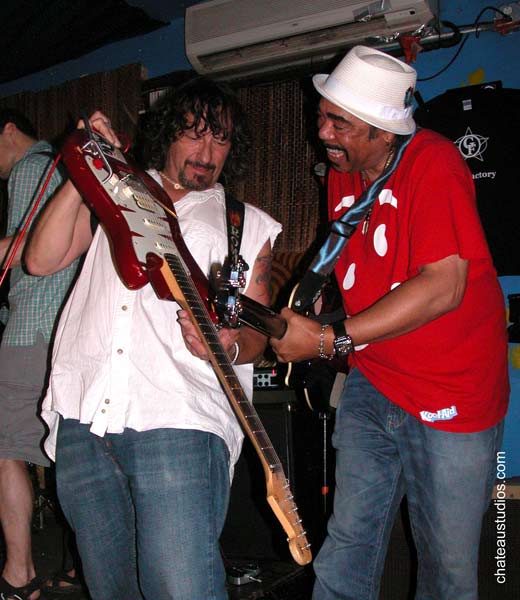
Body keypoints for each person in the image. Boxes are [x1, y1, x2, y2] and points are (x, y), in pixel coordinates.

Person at [24, 78, 281, 600]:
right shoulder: (118, 189)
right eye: (194, 134)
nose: (207, 153)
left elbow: (257, 336)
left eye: (221, 140)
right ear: (167, 132)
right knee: (109, 588)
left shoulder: (244, 223)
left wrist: (226, 343)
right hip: (85, 409)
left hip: (178, 417)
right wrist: (87, 169)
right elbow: (39, 260)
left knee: (181, 588)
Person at [270, 46, 509, 600]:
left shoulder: (434, 161)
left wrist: (330, 339)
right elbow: (355, 262)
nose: (322, 132)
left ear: (384, 132)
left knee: (446, 569)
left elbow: (445, 284)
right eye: (322, 114)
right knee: (347, 541)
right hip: (376, 379)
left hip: (450, 394)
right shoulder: (343, 173)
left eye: (339, 123)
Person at [0, 109, 81, 600]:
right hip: (60, 331)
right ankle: (80, 563)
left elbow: (25, 251)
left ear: (8, 130)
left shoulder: (33, 165)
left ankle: (18, 573)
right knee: (63, 451)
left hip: (33, 329)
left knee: (4, 448)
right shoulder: (58, 165)